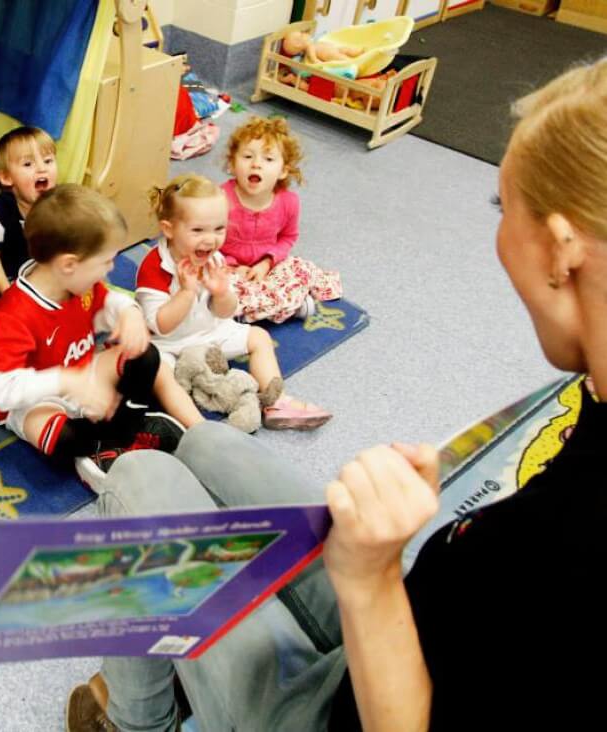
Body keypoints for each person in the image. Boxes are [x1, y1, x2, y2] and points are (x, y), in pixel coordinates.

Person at [67, 58, 607, 730]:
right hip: (400, 627)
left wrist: (369, 581)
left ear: (561, 249)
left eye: (503, 205)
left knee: (140, 473)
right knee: (206, 440)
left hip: (345, 704)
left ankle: (137, 721)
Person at [0, 184, 205, 481]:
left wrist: (129, 312)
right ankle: (103, 445)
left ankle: (124, 426)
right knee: (59, 437)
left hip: (85, 373)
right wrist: (67, 381)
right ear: (69, 264)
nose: (111, 269)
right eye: (106, 261)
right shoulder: (11, 315)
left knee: (145, 355)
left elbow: (107, 300)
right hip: (37, 400)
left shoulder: (77, 283)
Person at [138, 172, 331, 430]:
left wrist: (221, 293)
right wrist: (185, 292)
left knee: (259, 337)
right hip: (169, 344)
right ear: (168, 229)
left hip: (211, 334)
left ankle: (276, 402)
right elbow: (161, 325)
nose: (210, 239)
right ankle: (199, 428)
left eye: (219, 228)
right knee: (159, 374)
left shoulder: (214, 258)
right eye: (198, 230)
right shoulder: (154, 266)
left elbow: (226, 311)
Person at [222, 116, 342, 323]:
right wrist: (231, 265)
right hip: (226, 265)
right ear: (232, 164)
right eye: (248, 156)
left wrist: (266, 263)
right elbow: (206, 236)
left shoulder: (289, 202)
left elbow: (288, 238)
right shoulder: (219, 198)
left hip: (268, 267)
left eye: (268, 159)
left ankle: (250, 310)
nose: (256, 164)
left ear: (283, 171)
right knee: (205, 280)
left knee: (300, 270)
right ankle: (265, 309)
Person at [0, 126, 58, 295]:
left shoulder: (61, 203)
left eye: (48, 161)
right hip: (10, 277)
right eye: (28, 164)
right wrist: (9, 294)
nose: (42, 168)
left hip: (47, 271)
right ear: (7, 178)